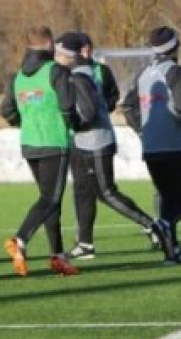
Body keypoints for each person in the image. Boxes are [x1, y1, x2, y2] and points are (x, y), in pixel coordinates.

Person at [68, 32, 165, 259]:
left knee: (106, 192)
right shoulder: (69, 72)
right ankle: (84, 243)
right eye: (83, 49)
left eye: (89, 48)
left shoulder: (99, 71)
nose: (87, 52)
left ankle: (152, 226)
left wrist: (100, 106)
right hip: (76, 141)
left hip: (97, 139)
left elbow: (110, 98)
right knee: (82, 191)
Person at [1, 27, 81, 276]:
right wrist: (75, 125)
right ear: (49, 44)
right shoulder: (56, 71)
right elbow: (68, 107)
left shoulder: (18, 77)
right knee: (51, 200)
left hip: (30, 143)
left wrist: (24, 123)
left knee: (48, 201)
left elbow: (7, 110)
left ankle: (58, 256)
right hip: (54, 142)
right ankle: (20, 240)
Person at [120, 26, 181, 265]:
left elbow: (127, 106)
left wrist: (143, 130)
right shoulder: (175, 72)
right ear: (175, 46)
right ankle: (162, 225)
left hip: (151, 148)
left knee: (167, 198)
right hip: (174, 145)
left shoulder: (144, 73)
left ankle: (172, 253)